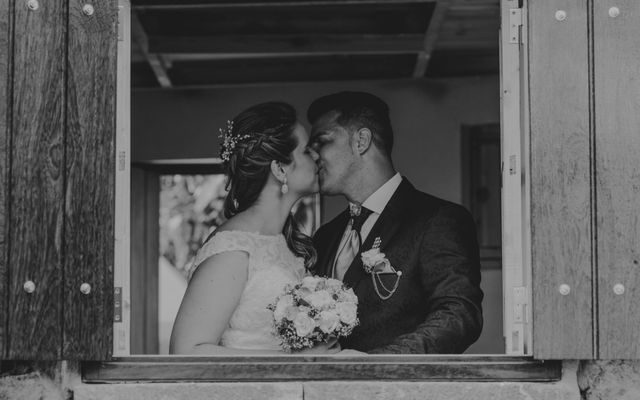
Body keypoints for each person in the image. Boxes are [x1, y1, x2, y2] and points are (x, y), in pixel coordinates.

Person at [307, 91, 483, 354]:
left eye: (322, 142)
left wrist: (377, 364)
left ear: (361, 141)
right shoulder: (325, 236)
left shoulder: (437, 220)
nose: (313, 155)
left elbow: (458, 315)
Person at [170, 102, 338, 355]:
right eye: (305, 151)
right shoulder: (232, 250)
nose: (316, 156)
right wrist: (296, 364)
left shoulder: (282, 241)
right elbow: (187, 351)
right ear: (280, 168)